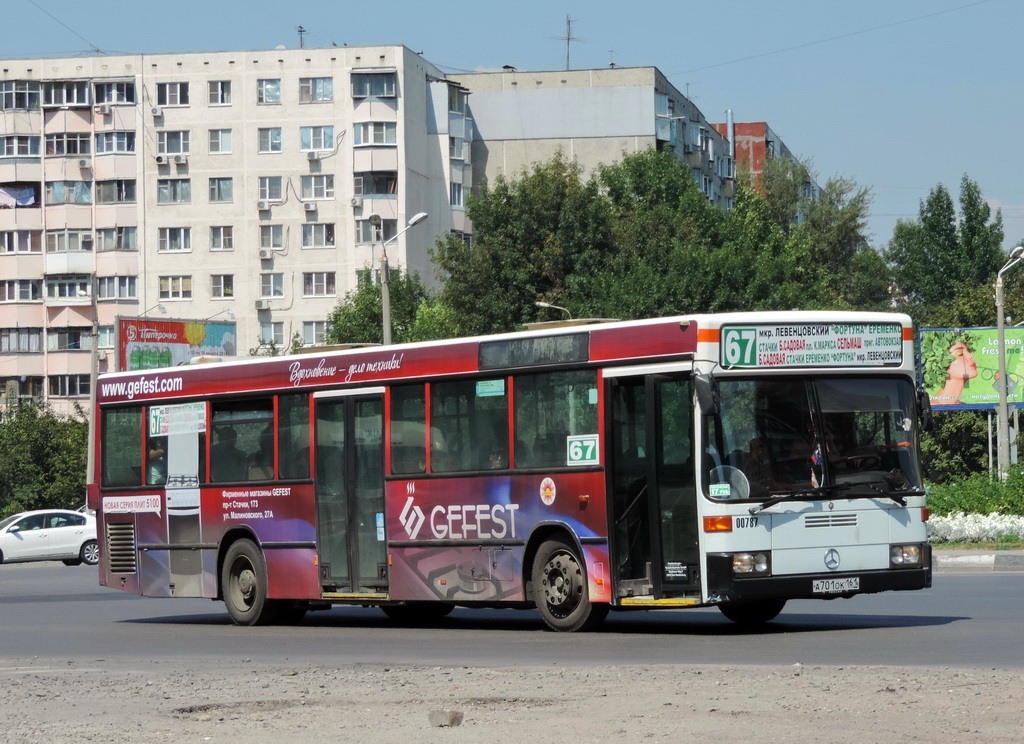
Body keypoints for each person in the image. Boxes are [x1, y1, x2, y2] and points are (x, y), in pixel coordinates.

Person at [930, 340, 978, 406]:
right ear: (939, 364)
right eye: (960, 354)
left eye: (968, 351)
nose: (970, 356)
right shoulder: (932, 407)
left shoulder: (961, 406)